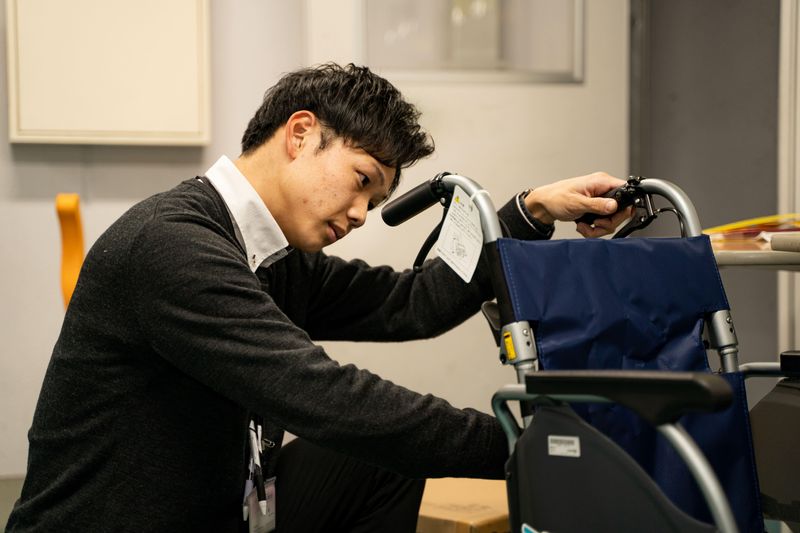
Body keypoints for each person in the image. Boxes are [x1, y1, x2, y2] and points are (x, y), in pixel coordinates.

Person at [6, 63, 629, 532]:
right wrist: (524, 442)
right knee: (364, 430)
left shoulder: (274, 256)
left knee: (378, 463)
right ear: (301, 133)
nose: (359, 214)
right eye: (361, 181)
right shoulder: (173, 245)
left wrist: (528, 211)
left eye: (374, 201)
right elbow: (327, 399)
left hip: (219, 502)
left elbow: (411, 303)